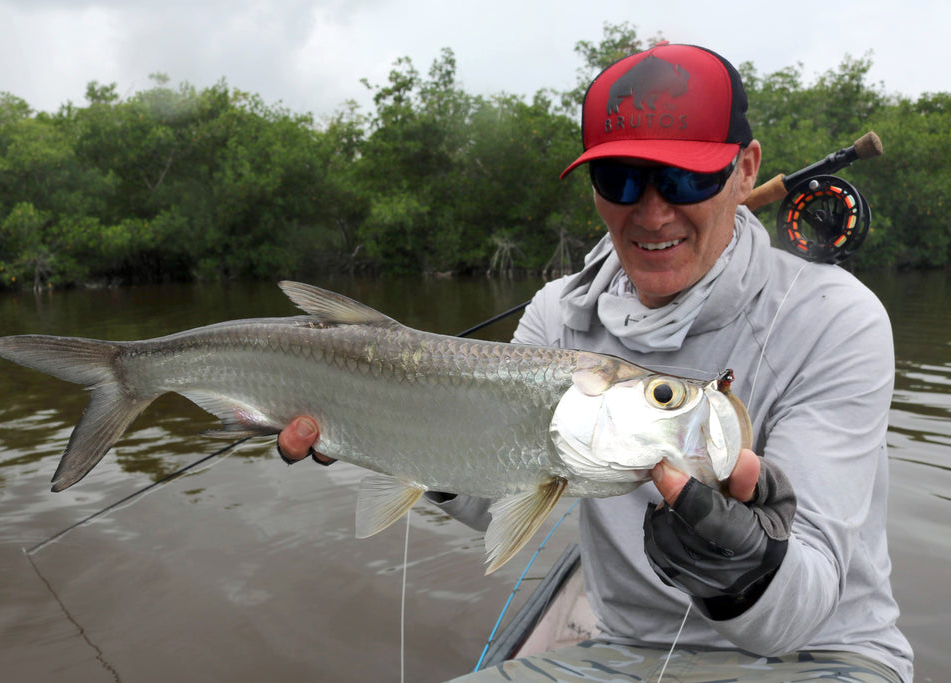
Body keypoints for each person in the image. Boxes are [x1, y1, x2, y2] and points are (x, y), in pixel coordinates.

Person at [278, 43, 913, 682]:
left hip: (821, 658)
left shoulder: (834, 318)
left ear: (745, 170)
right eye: (621, 179)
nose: (653, 213)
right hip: (622, 652)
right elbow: (495, 492)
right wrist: (385, 428)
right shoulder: (559, 313)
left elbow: (799, 614)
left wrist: (742, 569)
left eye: (687, 178)